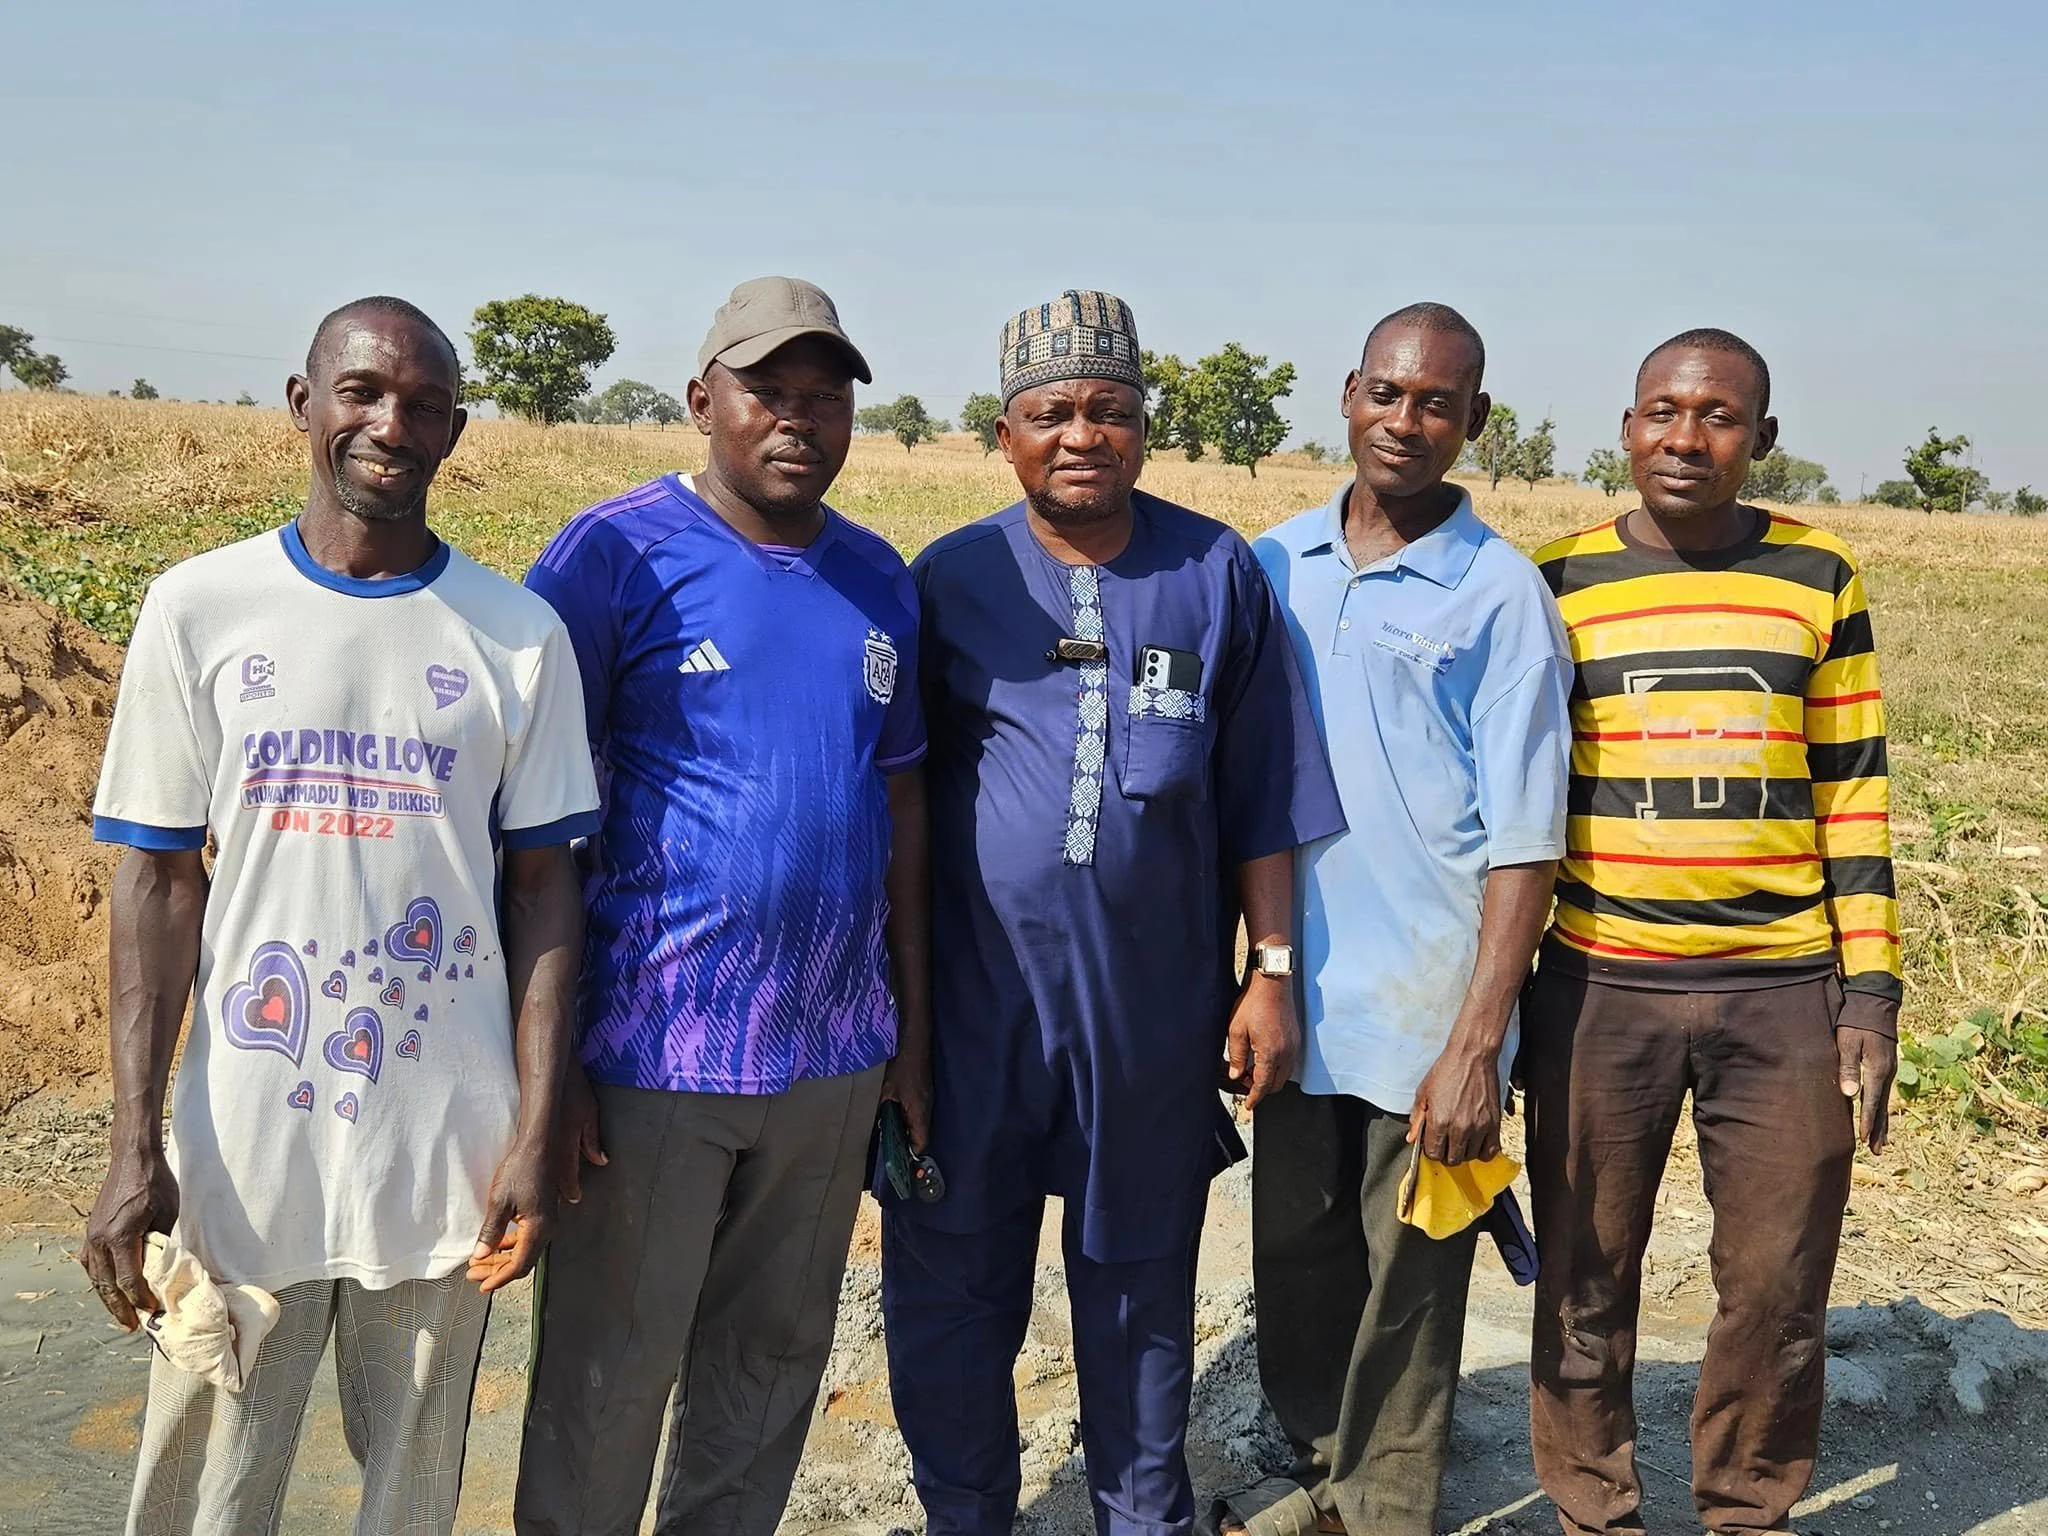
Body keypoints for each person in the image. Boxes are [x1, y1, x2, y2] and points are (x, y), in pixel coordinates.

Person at [81, 295, 599, 1536]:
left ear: (455, 434)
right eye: (362, 392)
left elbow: (543, 893)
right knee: (209, 1481)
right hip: (240, 1146)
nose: (390, 424)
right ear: (304, 404)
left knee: (411, 1487)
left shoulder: (515, 637)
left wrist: (532, 1128)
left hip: (443, 1157)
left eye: (423, 405)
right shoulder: (200, 609)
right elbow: (155, 882)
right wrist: (130, 1142)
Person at [884, 289, 1346, 1536]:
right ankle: (963, 1514)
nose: (1080, 435)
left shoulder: (1213, 573)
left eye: (1108, 411)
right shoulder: (951, 579)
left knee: (1139, 1292)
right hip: (979, 1019)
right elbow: (903, 796)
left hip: (1147, 1023)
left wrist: (1271, 975)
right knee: (952, 1291)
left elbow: (1262, 797)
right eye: (1051, 414)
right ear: (1004, 432)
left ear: (1144, 427)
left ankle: (1143, 1516)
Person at [514, 276, 930, 1536]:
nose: (796, 419)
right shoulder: (611, 554)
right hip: (648, 1059)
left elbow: (899, 810)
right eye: (766, 392)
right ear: (703, 402)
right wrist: (552, 1068)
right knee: (607, 1375)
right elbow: (532, 828)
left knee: (769, 1367)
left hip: (828, 1058)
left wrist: (904, 1034)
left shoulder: (878, 580)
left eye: (823, 397)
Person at [1526, 329, 1900, 1536]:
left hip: (1782, 990)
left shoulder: (1817, 578)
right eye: (1661, 413)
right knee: (1586, 1276)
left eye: (1718, 417)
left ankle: (1743, 1507)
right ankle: (1593, 1507)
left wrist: (1872, 997)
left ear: (1762, 438)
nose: (1686, 439)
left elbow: (1850, 788)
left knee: (1779, 1283)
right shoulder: (1556, 581)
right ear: (1625, 428)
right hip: (1594, 986)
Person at [1218, 303, 1573, 1536]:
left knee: (1412, 1280)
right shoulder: (1267, 566)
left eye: (1436, 403)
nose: (1405, 422)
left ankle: (1381, 1509)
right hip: (1298, 992)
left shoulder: (1499, 595)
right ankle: (1321, 1477)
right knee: (1300, 1259)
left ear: (1472, 421)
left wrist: (1478, 1038)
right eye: (1386, 393)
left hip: (1431, 1007)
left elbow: (1526, 838)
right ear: (1347, 395)